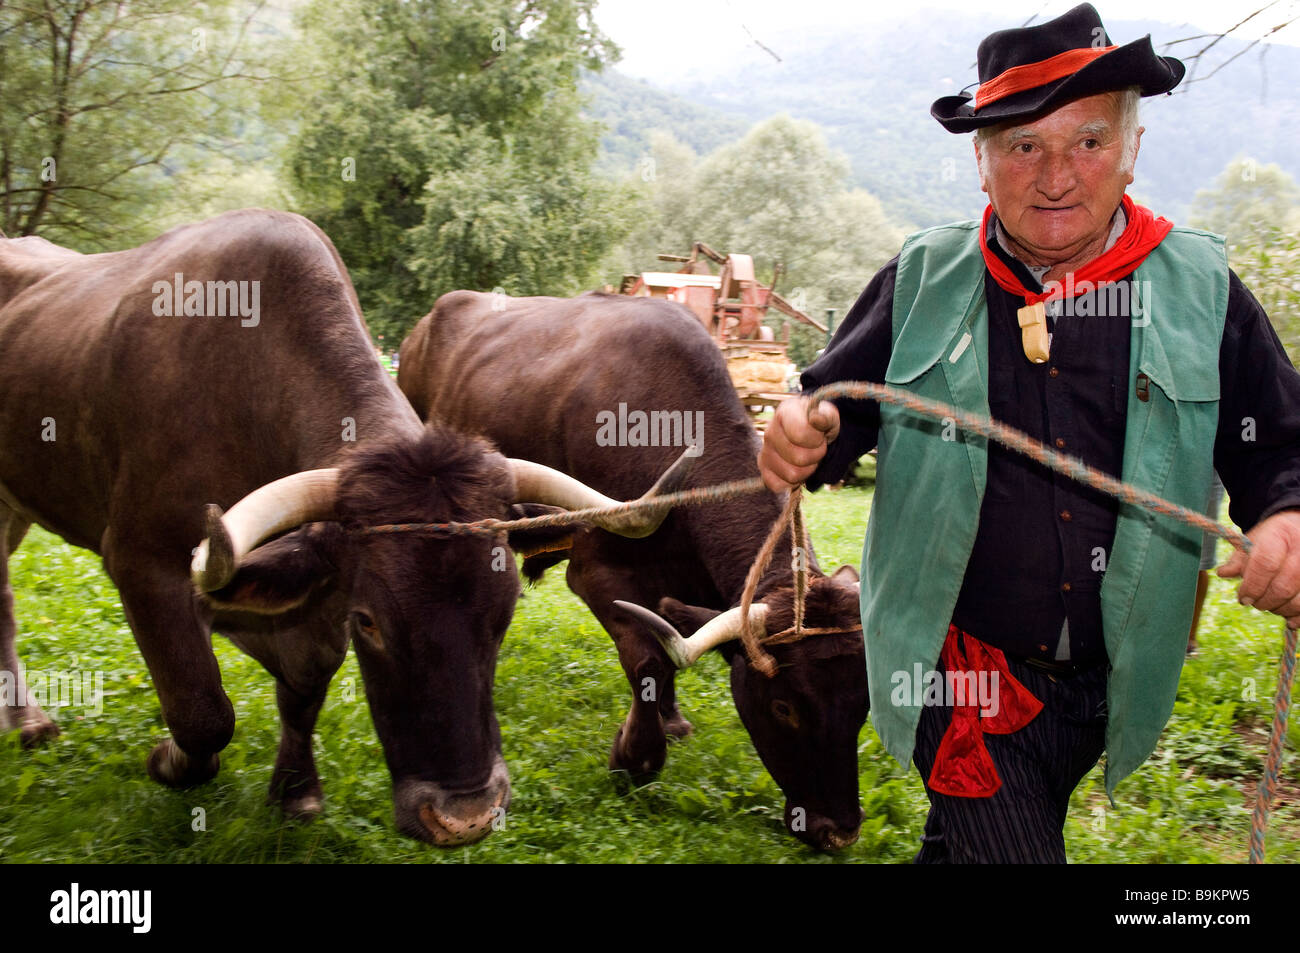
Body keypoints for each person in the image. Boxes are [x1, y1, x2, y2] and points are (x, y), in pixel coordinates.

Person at [758, 3, 1300, 863]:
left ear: (1131, 150)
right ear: (982, 163)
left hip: (1105, 683)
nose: (1056, 175)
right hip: (962, 675)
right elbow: (827, 412)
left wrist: (1285, 516)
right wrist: (798, 432)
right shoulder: (923, 278)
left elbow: (1278, 445)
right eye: (1023, 147)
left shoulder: (1202, 288)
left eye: (1087, 141)